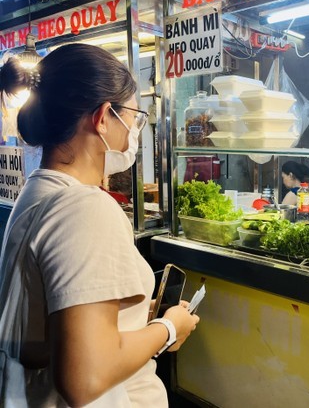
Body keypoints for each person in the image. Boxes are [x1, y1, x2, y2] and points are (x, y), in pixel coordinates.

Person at [0, 44, 199, 407]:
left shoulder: (35, 193)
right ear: (104, 117)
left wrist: (130, 315)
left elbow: (53, 322)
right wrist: (169, 328)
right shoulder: (85, 207)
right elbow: (85, 377)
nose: (134, 133)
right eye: (135, 118)